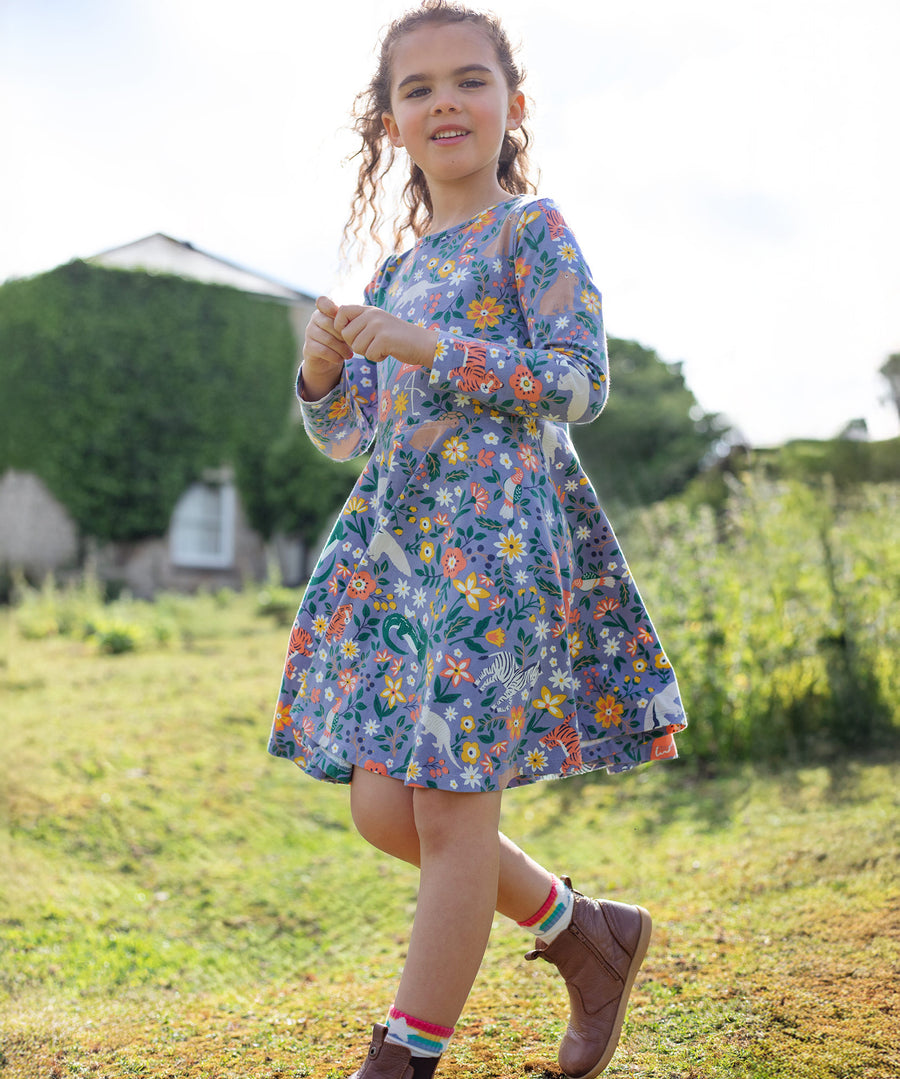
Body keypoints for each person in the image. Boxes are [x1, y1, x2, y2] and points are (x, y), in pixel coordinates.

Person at [269, 2, 687, 1076]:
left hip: (497, 553)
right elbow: (355, 430)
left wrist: (435, 347)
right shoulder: (396, 273)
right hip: (400, 565)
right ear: (389, 124)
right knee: (383, 805)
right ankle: (586, 935)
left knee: (453, 814)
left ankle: (402, 1059)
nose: (444, 100)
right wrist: (321, 375)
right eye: (418, 89)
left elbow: (576, 382)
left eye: (468, 80)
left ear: (508, 104)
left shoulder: (531, 231)